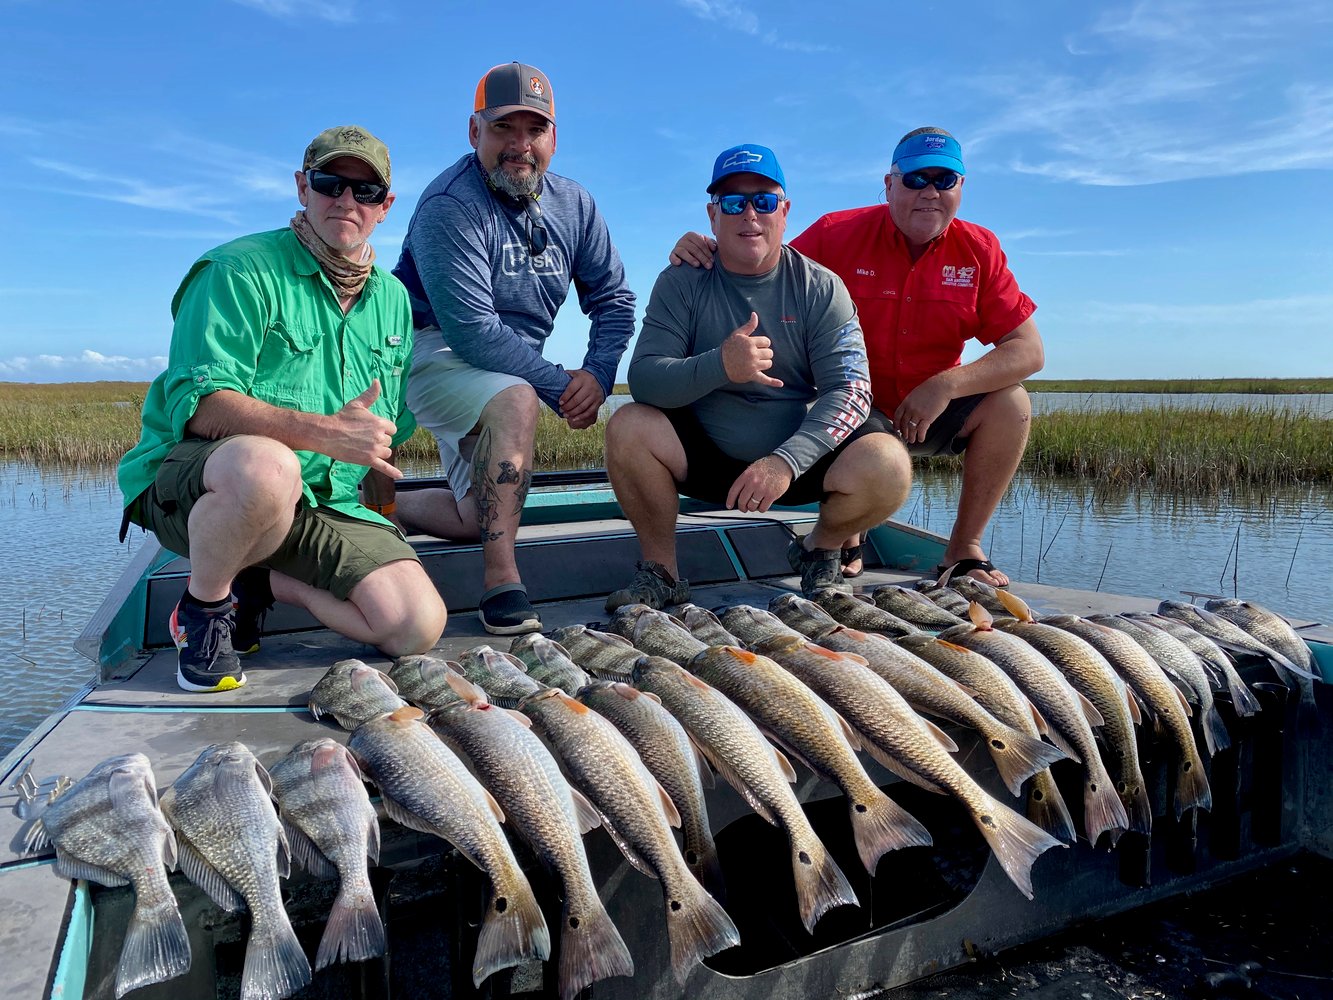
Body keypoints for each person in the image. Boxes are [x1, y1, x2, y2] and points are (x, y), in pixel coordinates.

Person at [118, 125, 447, 693]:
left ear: (385, 207)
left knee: (416, 627)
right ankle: (203, 611)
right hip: (209, 486)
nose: (347, 201)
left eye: (366, 192)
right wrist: (320, 433)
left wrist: (380, 505)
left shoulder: (393, 299)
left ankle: (259, 583)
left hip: (322, 500)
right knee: (269, 468)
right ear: (302, 187)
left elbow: (378, 432)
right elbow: (200, 406)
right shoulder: (236, 270)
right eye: (330, 184)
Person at [671, 127, 1044, 587]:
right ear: (889, 186)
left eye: (944, 180)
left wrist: (944, 386)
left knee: (1013, 404)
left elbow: (1029, 350)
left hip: (930, 411)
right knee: (849, 419)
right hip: (852, 411)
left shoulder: (980, 250)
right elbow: (761, 256)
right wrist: (708, 245)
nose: (929, 192)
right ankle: (840, 538)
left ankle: (963, 549)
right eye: (914, 179)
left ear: (961, 188)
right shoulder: (836, 233)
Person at [604, 144, 911, 610]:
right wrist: (720, 365)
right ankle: (661, 573)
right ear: (713, 216)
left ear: (784, 212)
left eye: (763, 201)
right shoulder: (682, 280)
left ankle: (819, 550)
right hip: (702, 456)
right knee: (627, 425)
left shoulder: (821, 287)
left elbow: (852, 390)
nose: (749, 214)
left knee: (889, 461)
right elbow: (645, 379)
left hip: (795, 464)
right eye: (733, 202)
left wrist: (785, 462)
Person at [391, 61, 636, 634]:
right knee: (518, 400)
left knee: (475, 510)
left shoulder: (576, 205)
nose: (519, 145)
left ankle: (385, 500)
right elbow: (471, 329)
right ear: (474, 131)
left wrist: (598, 375)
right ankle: (502, 582)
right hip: (433, 350)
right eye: (504, 128)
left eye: (535, 130)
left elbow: (615, 300)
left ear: (554, 138)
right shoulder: (449, 204)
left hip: (509, 366)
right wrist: (559, 387)